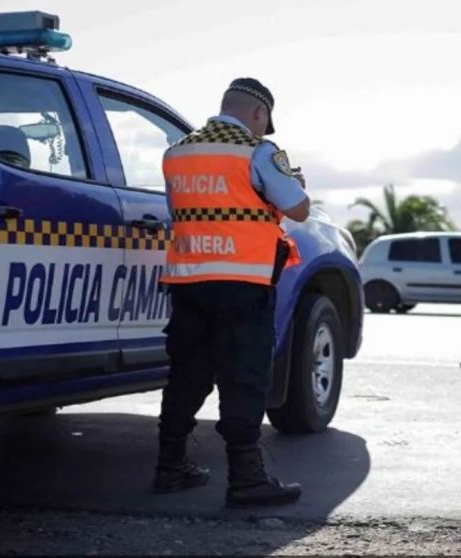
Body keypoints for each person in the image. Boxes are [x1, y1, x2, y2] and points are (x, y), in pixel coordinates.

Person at [154, 77, 310, 508]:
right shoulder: (258, 152)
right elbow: (298, 209)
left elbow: (179, 210)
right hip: (243, 283)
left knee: (186, 375)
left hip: (189, 281)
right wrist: (294, 181)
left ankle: (169, 467)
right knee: (244, 378)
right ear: (259, 113)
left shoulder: (176, 153)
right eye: (263, 121)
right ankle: (246, 479)